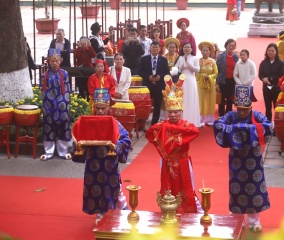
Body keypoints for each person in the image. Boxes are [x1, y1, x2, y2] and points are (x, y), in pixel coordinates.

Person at [212, 85, 273, 233]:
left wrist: (248, 130)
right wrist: (236, 130)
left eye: (245, 109)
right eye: (239, 108)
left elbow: (269, 126)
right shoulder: (231, 116)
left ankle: (254, 220)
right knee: (236, 186)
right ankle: (236, 218)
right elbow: (218, 124)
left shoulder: (256, 115)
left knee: (254, 186)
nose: (242, 111)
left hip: (254, 158)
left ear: (250, 107)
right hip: (237, 158)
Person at [71, 89, 131, 225]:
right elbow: (77, 138)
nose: (101, 111)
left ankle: (122, 209)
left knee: (114, 187)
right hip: (93, 163)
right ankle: (101, 213)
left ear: (108, 107)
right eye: (98, 108)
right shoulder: (88, 122)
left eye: (103, 108)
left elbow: (125, 138)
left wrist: (117, 146)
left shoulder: (113, 122)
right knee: (95, 188)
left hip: (110, 162)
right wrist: (79, 147)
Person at [145, 75, 203, 214]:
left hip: (182, 161)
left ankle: (189, 210)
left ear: (181, 112)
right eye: (170, 112)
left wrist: (171, 129)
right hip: (167, 162)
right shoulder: (162, 125)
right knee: (167, 186)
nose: (173, 114)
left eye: (176, 112)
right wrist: (166, 128)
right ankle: (169, 210)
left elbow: (194, 131)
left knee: (186, 186)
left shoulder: (186, 125)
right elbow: (150, 133)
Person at [40, 48, 72, 161]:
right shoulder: (44, 75)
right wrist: (52, 103)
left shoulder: (65, 74)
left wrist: (60, 103)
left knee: (63, 126)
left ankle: (63, 151)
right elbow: (44, 92)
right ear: (49, 61)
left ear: (60, 61)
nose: (54, 63)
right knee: (49, 127)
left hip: (62, 105)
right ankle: (48, 152)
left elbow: (67, 91)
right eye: (52, 61)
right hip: (49, 105)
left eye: (56, 60)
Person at [138, 41, 170, 126]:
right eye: (153, 47)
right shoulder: (144, 59)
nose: (155, 49)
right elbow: (140, 71)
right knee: (145, 105)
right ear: (150, 48)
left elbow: (167, 73)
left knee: (157, 104)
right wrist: (148, 77)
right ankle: (142, 123)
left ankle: (154, 123)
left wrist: (160, 77)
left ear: (159, 49)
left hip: (159, 85)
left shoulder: (163, 59)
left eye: (156, 47)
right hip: (147, 85)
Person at [174, 42, 200, 127]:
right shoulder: (180, 57)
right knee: (183, 99)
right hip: (182, 80)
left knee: (191, 99)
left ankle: (192, 121)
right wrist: (183, 62)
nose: (186, 49)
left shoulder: (195, 58)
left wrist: (188, 63)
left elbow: (197, 70)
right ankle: (182, 119)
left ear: (191, 49)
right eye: (185, 47)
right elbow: (177, 69)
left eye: (188, 47)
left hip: (191, 80)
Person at [259, 43, 284, 121]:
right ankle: (268, 124)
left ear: (276, 52)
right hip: (266, 88)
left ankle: (277, 124)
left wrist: (269, 78)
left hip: (276, 88)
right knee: (268, 108)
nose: (270, 52)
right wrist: (263, 79)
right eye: (269, 50)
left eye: (272, 51)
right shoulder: (263, 63)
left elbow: (281, 75)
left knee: (276, 107)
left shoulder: (280, 63)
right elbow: (260, 74)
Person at [195, 41, 218, 127]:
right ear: (201, 51)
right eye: (203, 50)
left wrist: (209, 77)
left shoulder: (213, 62)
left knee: (210, 101)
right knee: (200, 101)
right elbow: (196, 72)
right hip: (200, 84)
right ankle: (200, 121)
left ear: (209, 51)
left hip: (210, 84)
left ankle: (209, 120)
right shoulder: (198, 61)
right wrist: (202, 76)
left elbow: (215, 73)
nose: (204, 52)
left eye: (206, 50)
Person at [216, 39, 239, 117]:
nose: (231, 47)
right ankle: (221, 117)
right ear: (226, 46)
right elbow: (216, 70)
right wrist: (217, 83)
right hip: (222, 80)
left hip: (232, 81)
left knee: (230, 100)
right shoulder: (221, 56)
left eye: (233, 46)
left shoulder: (236, 56)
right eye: (230, 45)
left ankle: (228, 117)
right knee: (221, 100)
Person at [161, 37, 180, 121]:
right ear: (167, 48)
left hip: (176, 80)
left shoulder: (179, 57)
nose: (172, 49)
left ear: (176, 48)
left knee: (175, 96)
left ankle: (176, 115)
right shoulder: (163, 57)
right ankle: (163, 116)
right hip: (165, 80)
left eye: (173, 47)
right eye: (170, 47)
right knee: (165, 97)